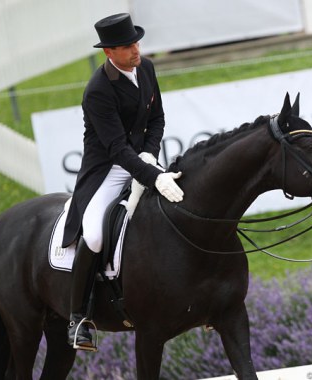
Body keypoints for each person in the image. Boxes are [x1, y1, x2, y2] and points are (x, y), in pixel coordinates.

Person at [61, 13, 184, 350]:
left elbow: (157, 118)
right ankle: (78, 318)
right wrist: (152, 176)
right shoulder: (98, 91)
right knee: (96, 234)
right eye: (128, 46)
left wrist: (148, 156)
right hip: (108, 169)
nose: (135, 50)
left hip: (141, 160)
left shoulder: (146, 68)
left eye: (136, 42)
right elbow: (115, 148)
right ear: (109, 52)